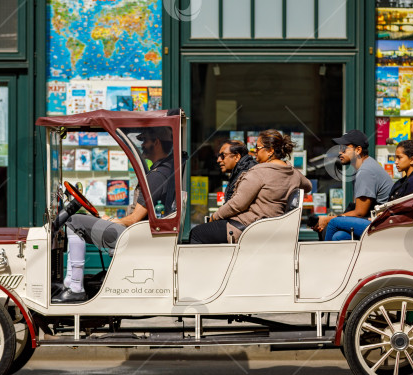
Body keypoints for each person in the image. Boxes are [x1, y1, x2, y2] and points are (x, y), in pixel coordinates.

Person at [53, 126, 176, 303]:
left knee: (73, 221)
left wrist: (111, 220)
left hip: (132, 236)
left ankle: (75, 287)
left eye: (145, 141)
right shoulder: (162, 171)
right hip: (138, 233)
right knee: (80, 221)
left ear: (156, 143)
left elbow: (134, 219)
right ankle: (70, 283)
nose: (141, 145)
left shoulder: (157, 176)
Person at [189, 130, 312, 244]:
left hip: (246, 227)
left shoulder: (258, 172)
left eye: (257, 148)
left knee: (196, 233)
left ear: (270, 151)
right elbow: (308, 186)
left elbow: (237, 204)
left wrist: (215, 216)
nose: (254, 151)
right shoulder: (293, 173)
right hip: (270, 228)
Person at [314, 130, 393, 241]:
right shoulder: (363, 168)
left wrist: (327, 219)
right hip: (374, 220)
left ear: (358, 150)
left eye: (344, 148)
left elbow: (360, 213)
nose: (340, 152)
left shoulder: (366, 171)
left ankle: (326, 256)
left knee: (333, 222)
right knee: (339, 236)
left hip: (381, 223)